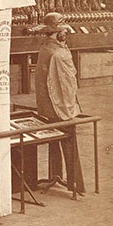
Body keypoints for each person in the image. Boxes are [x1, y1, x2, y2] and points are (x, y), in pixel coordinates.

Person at [32, 12, 86, 195]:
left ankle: (55, 175)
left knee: (55, 142)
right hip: (60, 107)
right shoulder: (58, 54)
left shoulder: (45, 49)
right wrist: (69, 110)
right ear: (56, 31)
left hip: (47, 106)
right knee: (70, 144)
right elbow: (64, 86)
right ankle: (74, 185)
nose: (67, 31)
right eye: (64, 28)